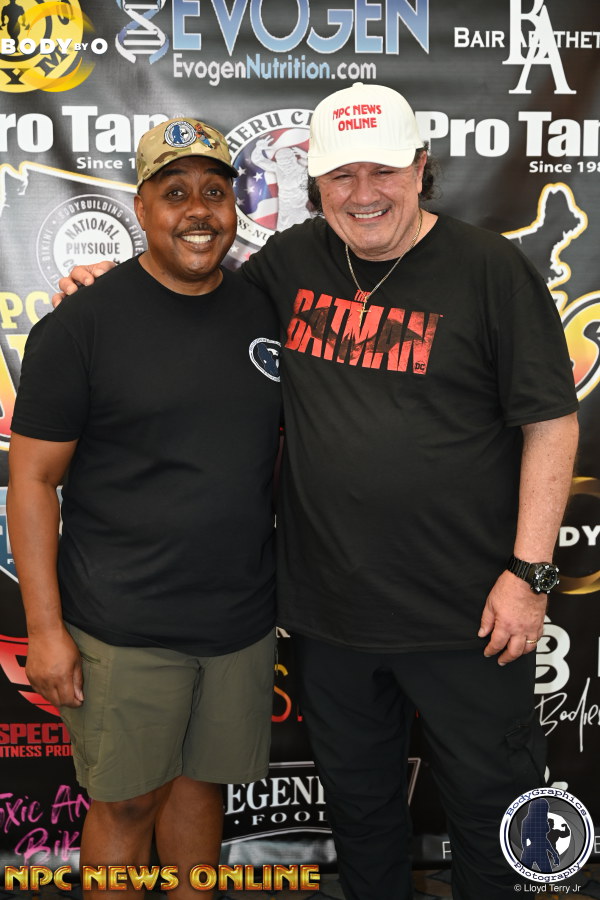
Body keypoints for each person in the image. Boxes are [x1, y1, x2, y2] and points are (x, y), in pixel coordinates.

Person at [54, 82, 579, 900]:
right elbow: (191, 291)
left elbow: (551, 423)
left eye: (383, 171)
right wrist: (106, 288)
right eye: (341, 175)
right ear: (316, 184)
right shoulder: (292, 262)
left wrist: (530, 574)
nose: (364, 194)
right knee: (362, 817)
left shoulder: (489, 269)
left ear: (421, 168)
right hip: (331, 618)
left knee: (492, 813)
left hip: (470, 613)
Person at [8, 117, 282, 900]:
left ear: (235, 208)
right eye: (175, 192)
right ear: (141, 207)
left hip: (237, 621)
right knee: (127, 804)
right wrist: (45, 630)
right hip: (122, 625)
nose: (197, 210)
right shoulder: (82, 323)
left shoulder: (264, 311)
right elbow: (31, 482)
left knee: (201, 789)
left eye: (214, 192)